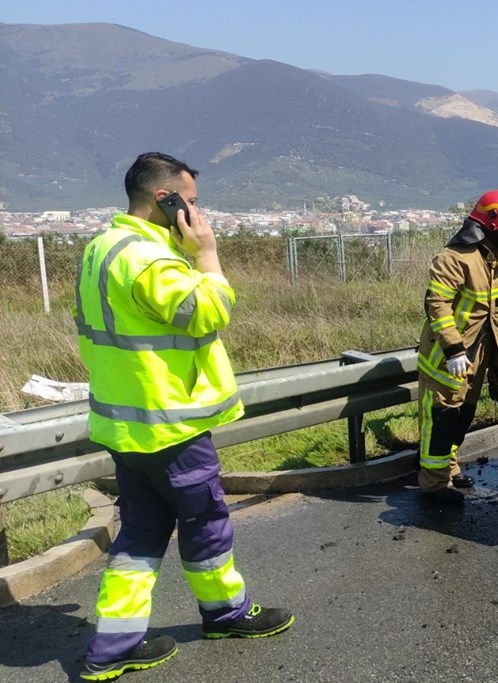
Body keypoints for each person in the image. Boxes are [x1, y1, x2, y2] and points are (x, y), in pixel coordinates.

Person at [75, 152, 293, 681]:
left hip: (128, 425)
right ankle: (227, 613)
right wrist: (208, 256)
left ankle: (114, 644)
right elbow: (206, 313)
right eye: (189, 203)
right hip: (168, 424)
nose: (196, 214)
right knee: (206, 522)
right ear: (163, 200)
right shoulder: (150, 259)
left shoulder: (103, 247)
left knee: (143, 532)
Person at [416, 190, 498, 503]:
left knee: (463, 415)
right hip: (446, 359)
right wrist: (453, 349)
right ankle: (433, 485)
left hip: (480, 358)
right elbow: (436, 303)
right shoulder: (454, 259)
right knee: (441, 419)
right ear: (490, 228)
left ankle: (447, 467)